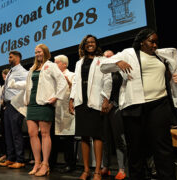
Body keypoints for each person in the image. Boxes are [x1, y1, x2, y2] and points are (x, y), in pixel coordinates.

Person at [100, 28, 177, 180]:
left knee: (163, 148)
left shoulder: (161, 57)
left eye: (156, 42)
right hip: (135, 106)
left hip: (159, 104)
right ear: (142, 42)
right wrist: (118, 61)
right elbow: (103, 66)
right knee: (136, 149)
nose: (155, 45)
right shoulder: (128, 53)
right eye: (151, 41)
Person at [69, 35, 112, 180]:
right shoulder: (79, 62)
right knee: (84, 136)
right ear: (84, 46)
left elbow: (108, 81)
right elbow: (75, 82)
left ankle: (98, 171)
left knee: (97, 136)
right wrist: (71, 99)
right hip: (81, 102)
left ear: (96, 44)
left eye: (92, 42)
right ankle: (86, 170)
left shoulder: (103, 60)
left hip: (96, 102)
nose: (90, 44)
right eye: (87, 43)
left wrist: (106, 100)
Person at [24, 44, 67, 177]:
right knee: (32, 133)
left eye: (40, 52)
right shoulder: (32, 68)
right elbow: (28, 86)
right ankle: (37, 163)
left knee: (44, 133)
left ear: (45, 53)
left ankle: (45, 164)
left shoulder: (51, 65)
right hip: (32, 103)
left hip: (44, 103)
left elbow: (62, 81)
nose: (37, 54)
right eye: (36, 52)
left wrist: (56, 96)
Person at [0, 51, 28, 169]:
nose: (8, 59)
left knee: (16, 133)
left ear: (17, 58)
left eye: (10, 57)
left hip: (16, 105)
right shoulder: (11, 71)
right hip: (8, 105)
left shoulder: (22, 71)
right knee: (8, 133)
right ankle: (11, 158)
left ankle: (20, 160)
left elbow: (27, 85)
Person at [101, 50, 127, 180]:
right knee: (105, 139)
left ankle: (122, 168)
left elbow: (123, 89)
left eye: (110, 56)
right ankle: (105, 167)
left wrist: (113, 103)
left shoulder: (120, 72)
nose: (107, 58)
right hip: (102, 109)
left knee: (119, 139)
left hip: (116, 107)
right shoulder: (101, 71)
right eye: (105, 57)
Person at [50, 54, 76, 173]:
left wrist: (68, 83)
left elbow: (75, 91)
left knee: (68, 138)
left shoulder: (72, 75)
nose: (54, 64)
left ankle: (70, 164)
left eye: (56, 62)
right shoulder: (53, 76)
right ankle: (51, 163)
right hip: (54, 110)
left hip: (66, 110)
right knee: (53, 138)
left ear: (64, 64)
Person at [0, 68, 10, 162]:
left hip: (10, 108)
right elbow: (1, 98)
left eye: (5, 75)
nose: (4, 77)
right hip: (3, 110)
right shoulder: (3, 86)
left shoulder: (11, 85)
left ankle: (9, 155)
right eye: (3, 76)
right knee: (3, 133)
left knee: (9, 134)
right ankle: (4, 154)